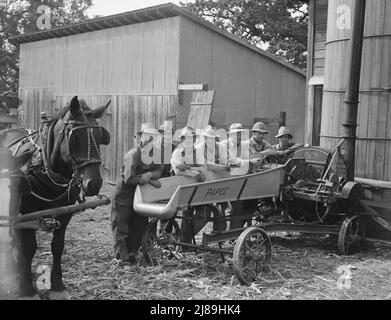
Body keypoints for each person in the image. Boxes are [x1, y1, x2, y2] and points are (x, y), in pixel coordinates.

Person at [111, 123, 164, 264]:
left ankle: (133, 253)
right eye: (148, 137)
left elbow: (159, 171)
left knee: (139, 223)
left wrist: (150, 175)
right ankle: (122, 258)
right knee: (121, 225)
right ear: (142, 138)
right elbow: (128, 178)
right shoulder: (133, 155)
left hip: (143, 193)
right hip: (125, 193)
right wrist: (146, 180)